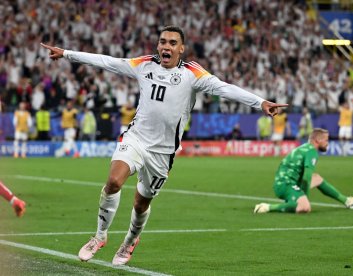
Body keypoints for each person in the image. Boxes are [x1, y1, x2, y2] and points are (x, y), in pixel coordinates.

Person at [41, 25, 287, 266]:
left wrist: (260, 102)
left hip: (163, 152)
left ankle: (130, 240)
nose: (165, 47)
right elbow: (107, 61)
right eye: (162, 42)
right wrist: (66, 53)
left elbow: (225, 88)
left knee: (141, 202)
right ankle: (99, 236)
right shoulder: (144, 64)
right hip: (136, 138)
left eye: (171, 43)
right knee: (114, 181)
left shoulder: (192, 74)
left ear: (181, 48)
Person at [254, 128, 353, 214]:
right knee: (304, 207)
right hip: (286, 184)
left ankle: (347, 201)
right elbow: (306, 177)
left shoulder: (305, 147)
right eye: (326, 140)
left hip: (284, 182)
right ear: (318, 140)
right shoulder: (311, 152)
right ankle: (268, 207)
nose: (327, 143)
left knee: (317, 178)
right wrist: (304, 196)